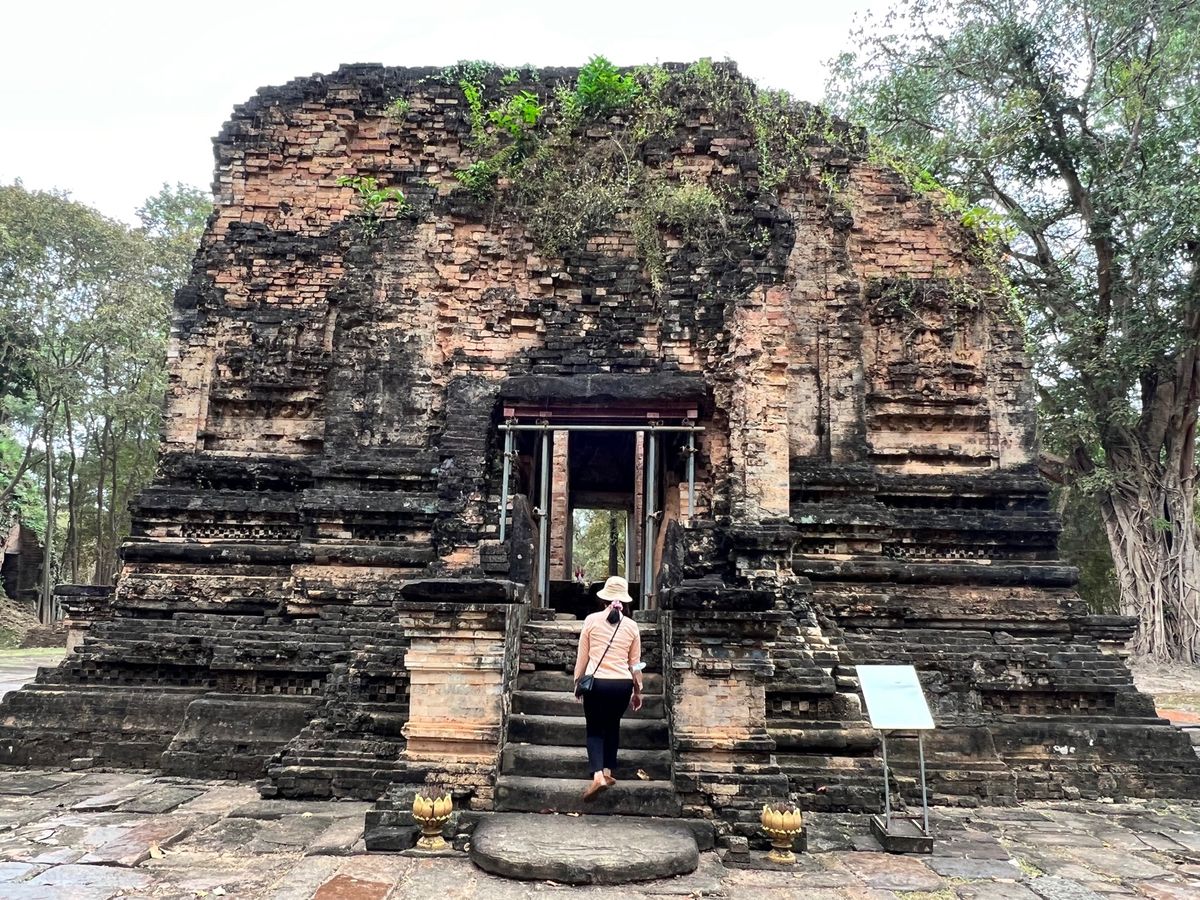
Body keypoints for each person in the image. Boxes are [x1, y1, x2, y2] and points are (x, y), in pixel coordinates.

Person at [572, 575, 643, 801]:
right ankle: (608, 771)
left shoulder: (591, 621)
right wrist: (638, 690)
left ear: (603, 599)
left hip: (597, 684)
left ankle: (597, 776)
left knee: (594, 729)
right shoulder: (632, 626)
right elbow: (635, 664)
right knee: (612, 726)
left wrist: (577, 682)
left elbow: (582, 657)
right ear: (624, 601)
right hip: (622, 685)